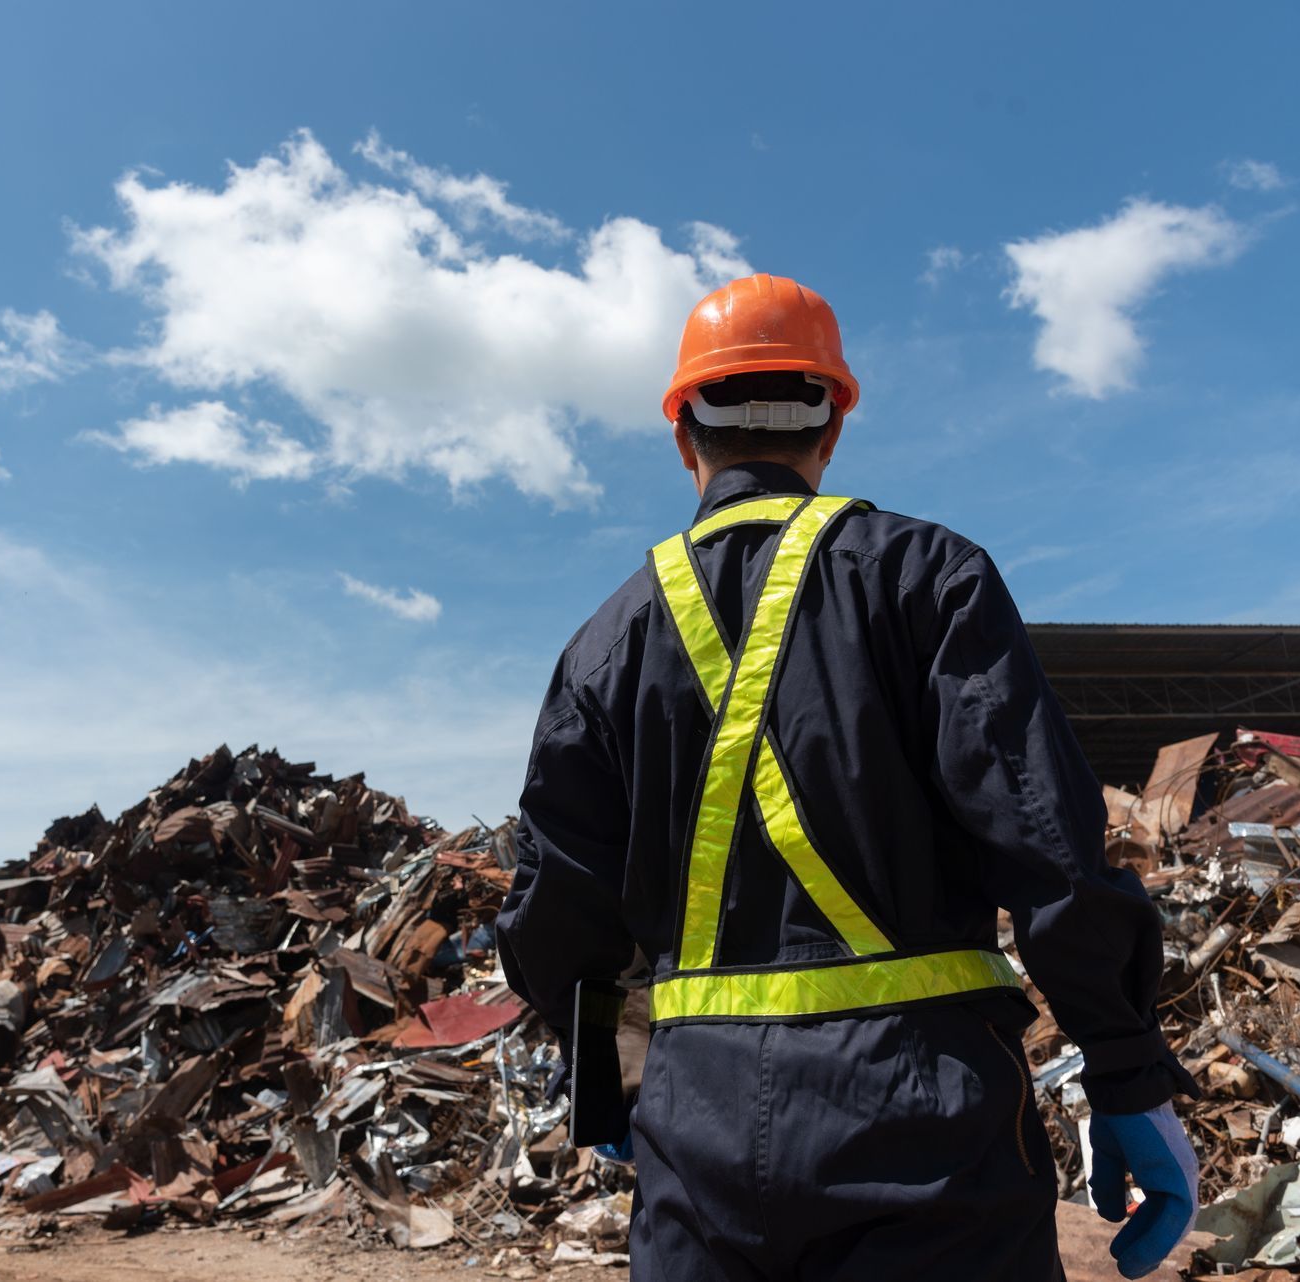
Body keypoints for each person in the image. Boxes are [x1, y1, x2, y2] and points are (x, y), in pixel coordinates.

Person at [495, 274, 1199, 1281]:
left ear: (683, 435)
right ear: (832, 429)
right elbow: (1047, 844)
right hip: (927, 1126)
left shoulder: (605, 642)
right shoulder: (929, 577)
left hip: (698, 1141)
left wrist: (606, 1089)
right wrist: (1128, 1075)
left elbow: (557, 911)